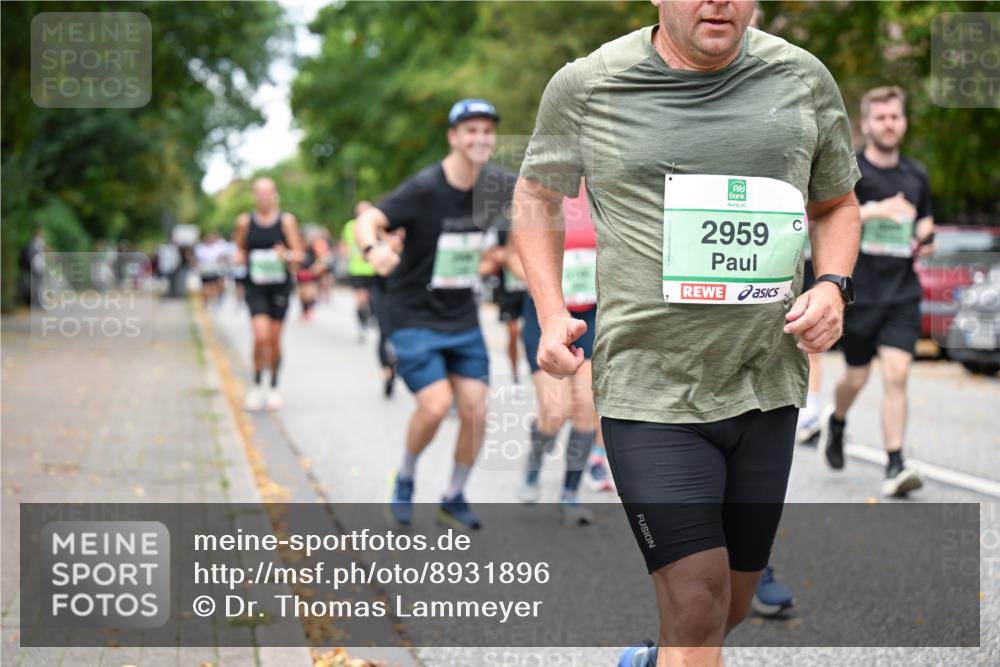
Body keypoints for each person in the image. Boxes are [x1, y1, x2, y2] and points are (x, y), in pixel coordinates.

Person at [512, 2, 861, 665]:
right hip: (649, 388)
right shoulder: (589, 84)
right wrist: (551, 308)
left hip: (766, 381)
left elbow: (837, 202)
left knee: (727, 604)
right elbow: (536, 194)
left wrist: (832, 283)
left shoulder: (802, 78)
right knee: (696, 603)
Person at [355, 98, 516, 530]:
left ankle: (454, 495)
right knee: (435, 403)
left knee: (477, 409)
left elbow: (541, 203)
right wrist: (373, 250)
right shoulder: (425, 187)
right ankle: (405, 477)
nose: (480, 138)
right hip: (411, 313)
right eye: (471, 130)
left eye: (487, 130)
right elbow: (369, 219)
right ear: (454, 137)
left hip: (461, 316)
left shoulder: (498, 183)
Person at [821, 85, 934, 498]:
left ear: (903, 122)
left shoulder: (917, 174)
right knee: (856, 376)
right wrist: (876, 210)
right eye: (881, 117)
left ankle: (895, 463)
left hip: (902, 292)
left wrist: (926, 234)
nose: (889, 124)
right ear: (865, 124)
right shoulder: (850, 169)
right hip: (860, 293)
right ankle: (837, 422)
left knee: (898, 374)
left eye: (896, 116)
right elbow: (830, 215)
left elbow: (924, 222)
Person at [505, 181, 599, 525]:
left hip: (591, 316)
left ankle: (570, 493)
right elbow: (511, 254)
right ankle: (533, 465)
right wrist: (545, 280)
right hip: (547, 315)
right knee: (556, 410)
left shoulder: (608, 190)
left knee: (587, 407)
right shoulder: (540, 189)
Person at [234, 177, 305, 412]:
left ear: (276, 195)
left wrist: (284, 255)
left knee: (274, 340)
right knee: (260, 336)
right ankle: (256, 385)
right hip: (255, 285)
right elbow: (239, 248)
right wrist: (239, 257)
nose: (264, 197)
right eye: (259, 193)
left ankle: (273, 386)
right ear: (254, 196)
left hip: (279, 285)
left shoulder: (286, 221)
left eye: (268, 192)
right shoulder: (245, 222)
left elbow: (299, 255)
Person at [341, 202, 378, 342]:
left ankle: (372, 318)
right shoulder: (349, 226)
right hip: (357, 269)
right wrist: (345, 257)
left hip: (374, 268)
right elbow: (344, 244)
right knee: (361, 299)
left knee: (374, 298)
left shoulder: (375, 225)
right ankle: (362, 325)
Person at [296, 227, 331, 320]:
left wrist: (317, 268)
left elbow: (323, 257)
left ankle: (310, 309)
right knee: (302, 294)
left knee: (310, 293)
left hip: (311, 272)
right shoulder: (299, 244)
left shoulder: (317, 245)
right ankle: (304, 310)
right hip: (301, 271)